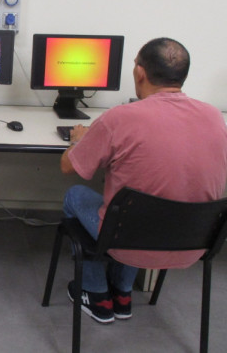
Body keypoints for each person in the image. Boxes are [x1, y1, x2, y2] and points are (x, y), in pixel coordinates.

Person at [60, 37, 227, 324]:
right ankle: (123, 294)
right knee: (141, 201)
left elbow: (68, 166)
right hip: (195, 242)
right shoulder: (215, 117)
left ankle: (96, 294)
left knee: (75, 194)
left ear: (140, 72)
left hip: (128, 239)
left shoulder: (120, 118)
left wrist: (79, 140)